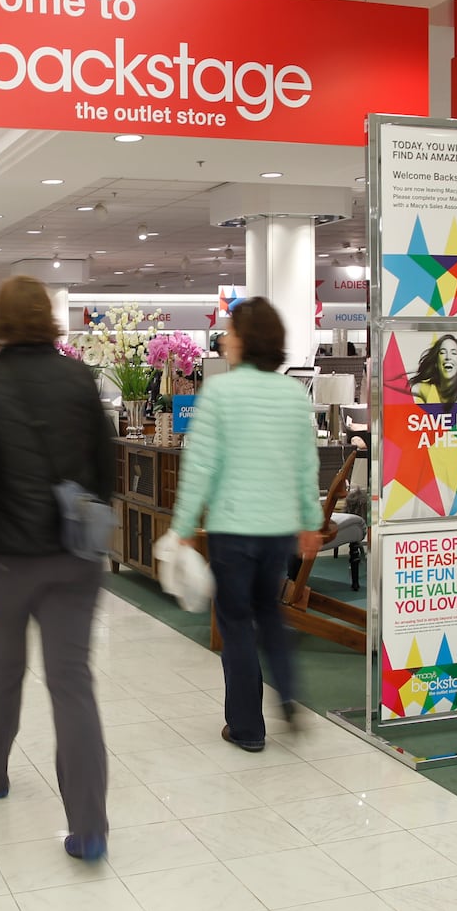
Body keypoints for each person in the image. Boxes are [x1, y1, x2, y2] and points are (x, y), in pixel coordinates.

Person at [0, 275, 116, 862]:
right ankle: (90, 825)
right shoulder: (79, 379)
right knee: (72, 683)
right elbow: (106, 463)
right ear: (48, 319)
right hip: (75, 557)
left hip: (4, 560)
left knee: (4, 672)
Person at [169, 297, 324, 752]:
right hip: (277, 529)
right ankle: (290, 699)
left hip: (233, 529)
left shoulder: (220, 392)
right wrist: (310, 521)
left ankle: (246, 728)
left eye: (231, 332)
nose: (226, 339)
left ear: (245, 340)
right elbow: (304, 465)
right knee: (270, 616)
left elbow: (201, 467)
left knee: (236, 624)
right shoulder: (294, 396)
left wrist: (181, 526)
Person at [385, 333, 457, 406]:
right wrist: (424, 366)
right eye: (442, 353)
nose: (448, 357)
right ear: (437, 361)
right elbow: (386, 377)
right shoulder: (426, 389)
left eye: (453, 353)